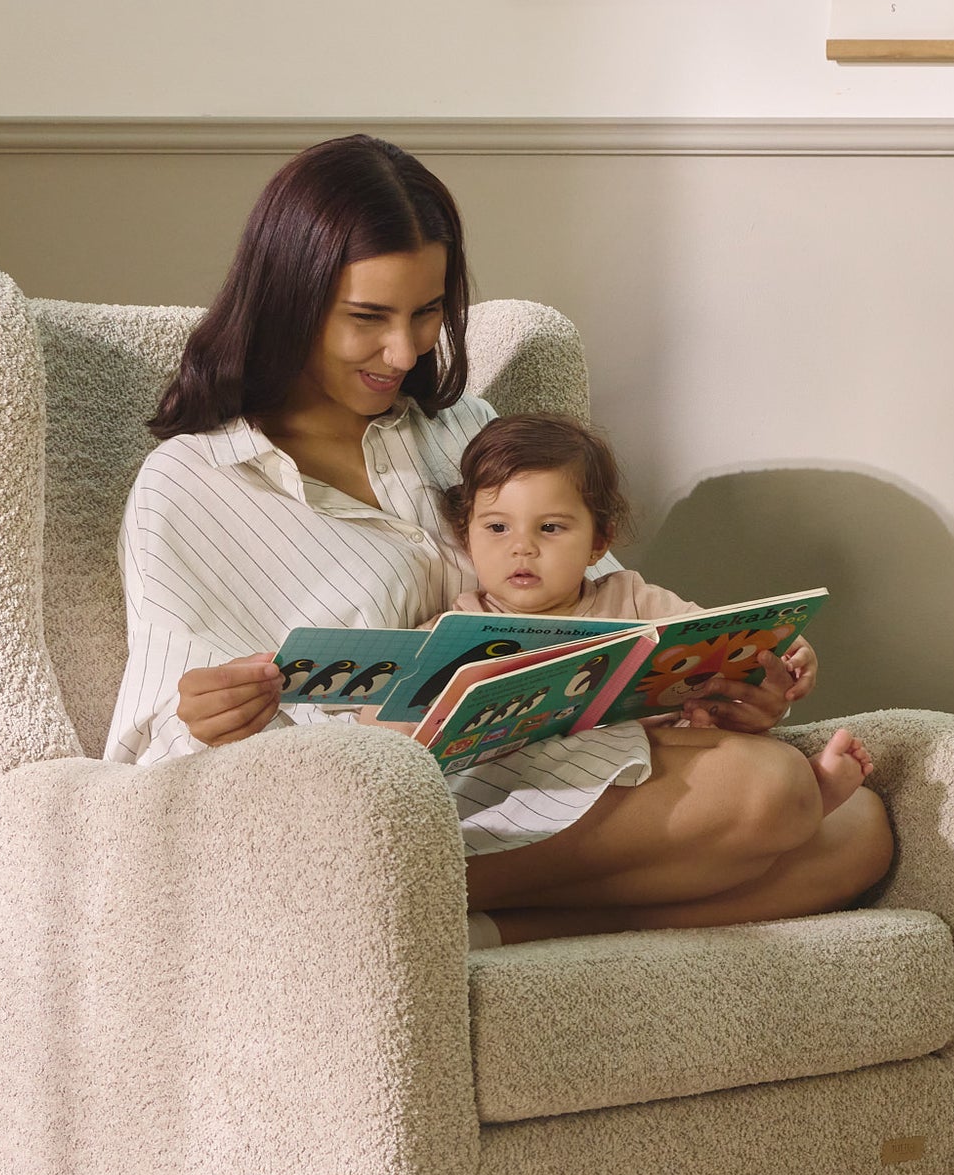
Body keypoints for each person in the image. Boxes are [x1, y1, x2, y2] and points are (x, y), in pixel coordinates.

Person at [104, 134, 892, 945]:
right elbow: (148, 756)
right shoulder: (191, 483)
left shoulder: (463, 431)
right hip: (362, 817)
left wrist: (720, 686)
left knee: (859, 830)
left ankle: (486, 932)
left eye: (426, 313)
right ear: (289, 300)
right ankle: (406, 904)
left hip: (544, 764)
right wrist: (204, 718)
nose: (404, 352)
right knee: (775, 797)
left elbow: (601, 612)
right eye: (367, 319)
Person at [437, 411, 875, 817]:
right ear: (466, 534)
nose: (522, 547)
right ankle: (804, 800)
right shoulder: (460, 627)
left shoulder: (633, 598)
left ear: (598, 542)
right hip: (559, 792)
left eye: (550, 527)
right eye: (497, 527)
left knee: (714, 739)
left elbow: (727, 637)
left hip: (667, 770)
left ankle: (804, 798)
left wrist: (786, 650)